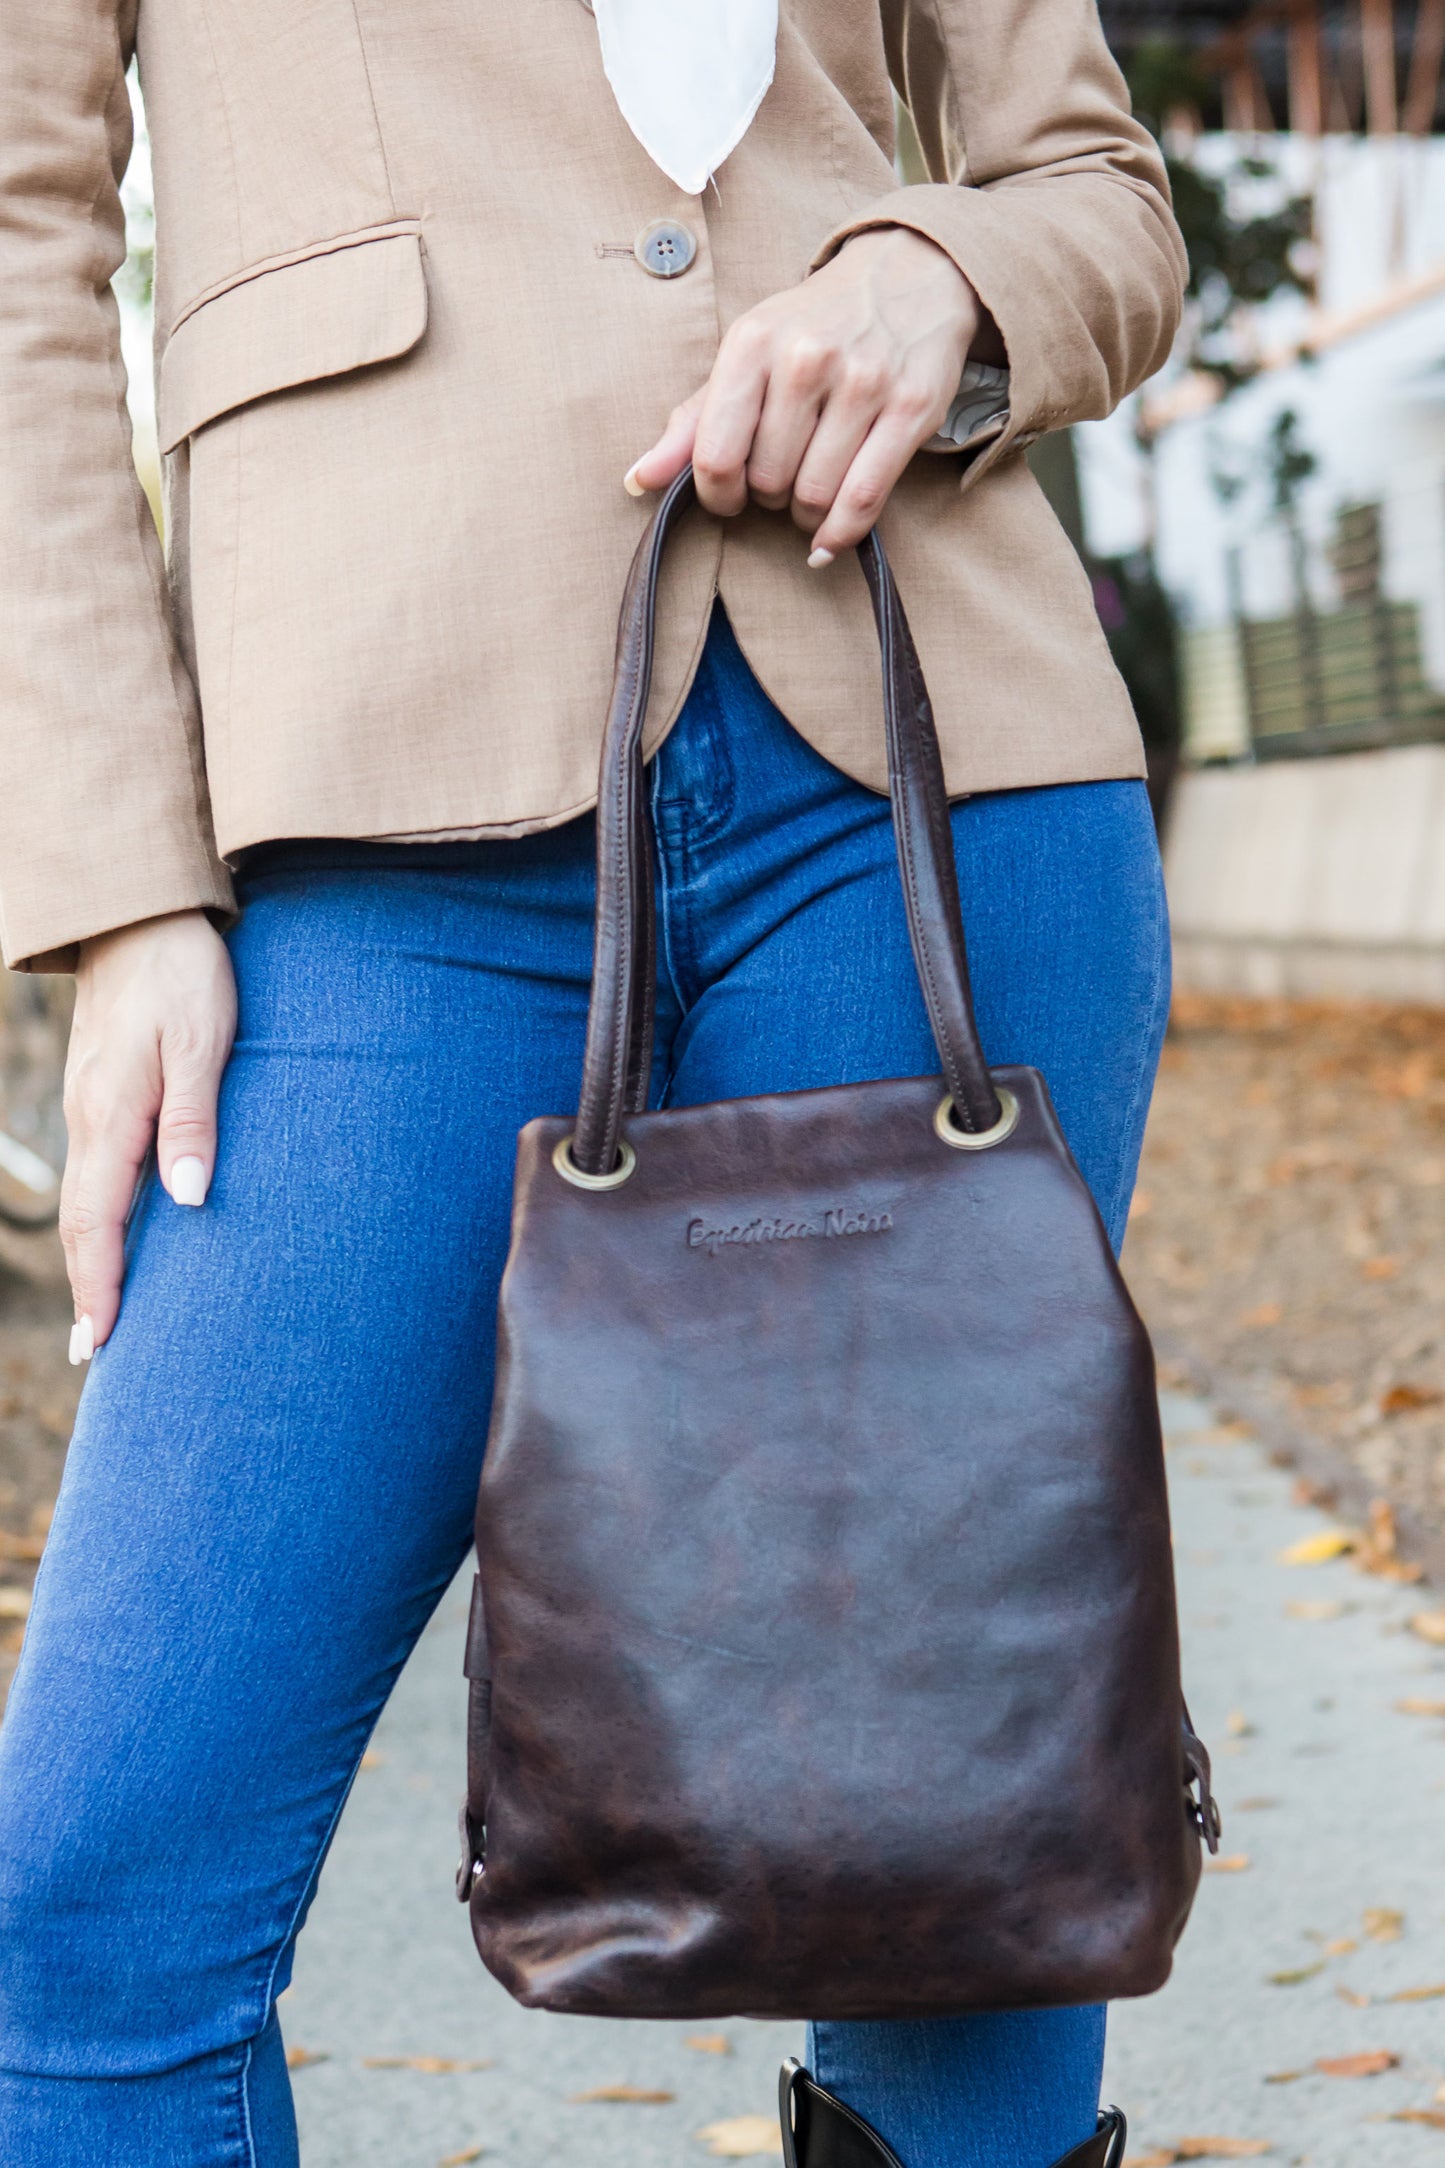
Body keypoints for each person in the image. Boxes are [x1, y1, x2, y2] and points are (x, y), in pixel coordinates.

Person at [0, 2, 1185, 2161]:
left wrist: (940, 275)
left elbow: (1095, 192)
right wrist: (116, 882)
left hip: (928, 775)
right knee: (95, 1905)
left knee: (953, 1855)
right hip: (369, 806)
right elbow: (19, 235)